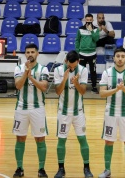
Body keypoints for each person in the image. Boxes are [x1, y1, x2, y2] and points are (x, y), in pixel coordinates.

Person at [98, 47, 125, 178]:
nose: (120, 59)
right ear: (114, 58)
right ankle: (107, 170)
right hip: (110, 112)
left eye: (122, 56)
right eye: (118, 56)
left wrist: (123, 88)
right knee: (108, 141)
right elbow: (102, 93)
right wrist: (116, 89)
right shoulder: (107, 73)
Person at [53, 50, 94, 178]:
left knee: (82, 139)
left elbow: (82, 92)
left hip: (78, 112)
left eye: (74, 66)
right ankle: (61, 169)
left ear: (78, 61)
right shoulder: (58, 70)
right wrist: (65, 79)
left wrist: (75, 83)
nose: (71, 68)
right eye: (69, 66)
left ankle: (87, 168)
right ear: (65, 61)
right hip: (63, 112)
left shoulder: (83, 70)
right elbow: (58, 92)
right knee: (61, 140)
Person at [12, 43, 49, 178]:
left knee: (40, 138)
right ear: (25, 54)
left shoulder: (43, 69)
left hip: (38, 108)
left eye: (32, 52)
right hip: (21, 108)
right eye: (27, 52)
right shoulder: (19, 68)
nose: (30, 54)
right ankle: (19, 168)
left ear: (37, 53)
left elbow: (44, 87)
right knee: (20, 138)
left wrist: (31, 76)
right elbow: (18, 85)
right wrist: (25, 74)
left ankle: (41, 169)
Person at [75, 13, 100, 94]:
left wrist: (91, 31)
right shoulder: (80, 29)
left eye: (90, 20)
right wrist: (77, 52)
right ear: (85, 20)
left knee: (93, 71)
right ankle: (80, 86)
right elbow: (77, 40)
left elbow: (96, 39)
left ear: (93, 20)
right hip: (82, 54)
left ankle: (94, 87)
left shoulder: (96, 29)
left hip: (92, 53)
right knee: (81, 71)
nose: (88, 22)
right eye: (87, 20)